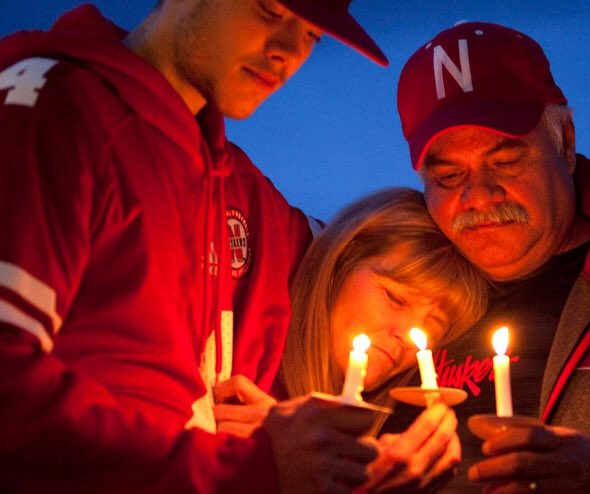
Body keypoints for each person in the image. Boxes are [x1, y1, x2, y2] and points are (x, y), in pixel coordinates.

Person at [0, 1, 393, 492]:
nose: (288, 52)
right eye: (271, 12)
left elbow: (371, 252)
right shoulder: (55, 105)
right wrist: (250, 468)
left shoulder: (221, 175)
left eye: (312, 36)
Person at [381, 21, 590, 493]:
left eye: (506, 161)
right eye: (449, 176)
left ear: (567, 141)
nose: (479, 196)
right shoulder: (397, 302)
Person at [212, 186, 488, 491]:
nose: (407, 336)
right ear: (339, 264)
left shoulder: (377, 445)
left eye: (433, 325)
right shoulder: (251, 337)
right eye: (395, 298)